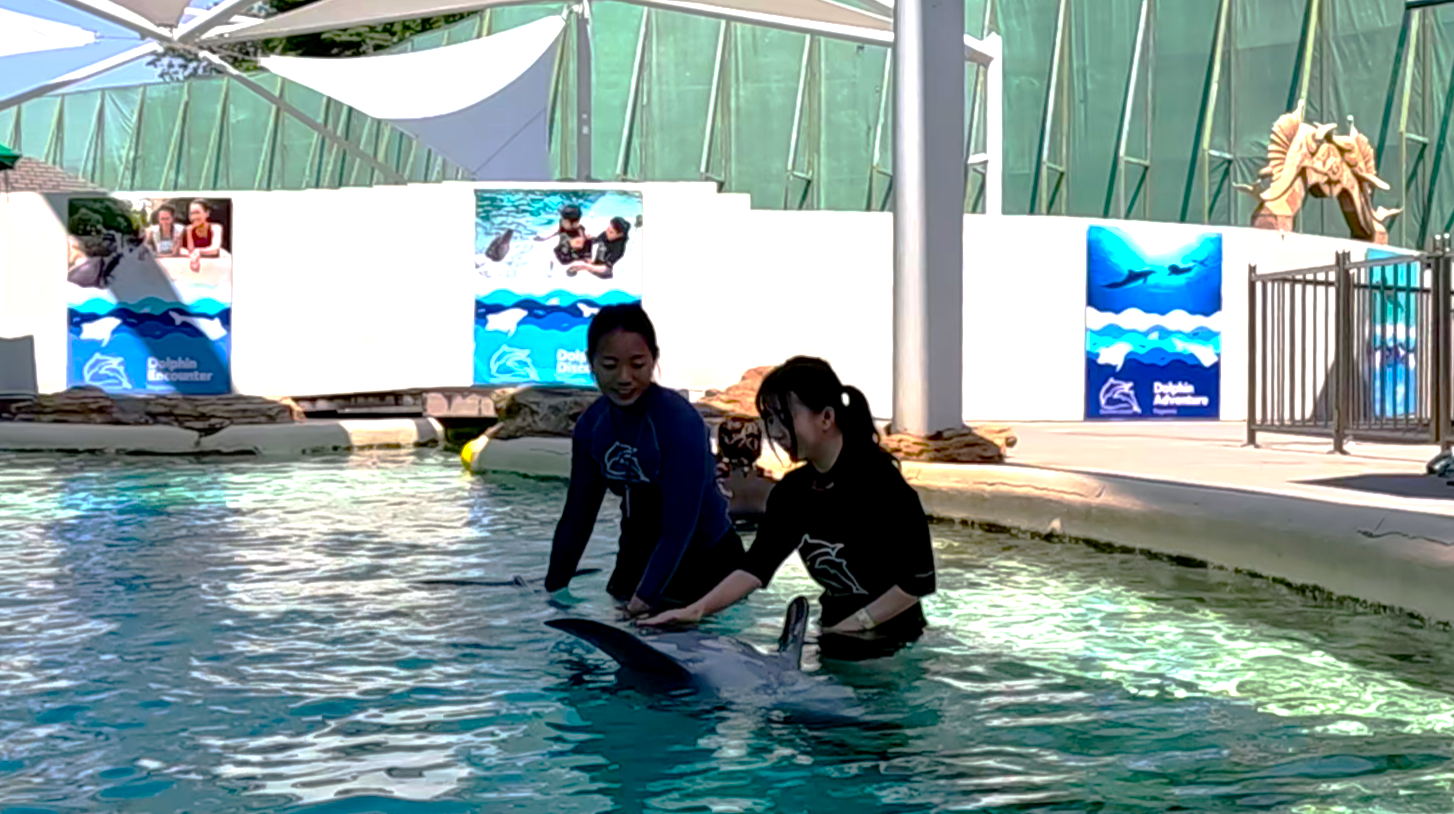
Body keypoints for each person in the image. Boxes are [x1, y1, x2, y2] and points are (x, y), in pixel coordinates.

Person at [639, 356, 937, 661]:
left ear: (826, 417)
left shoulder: (883, 486)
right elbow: (756, 567)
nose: (776, 432)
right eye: (769, 420)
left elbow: (918, 582)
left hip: (894, 639)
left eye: (783, 418)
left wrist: (855, 626)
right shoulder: (792, 492)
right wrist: (696, 610)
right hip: (834, 632)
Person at [545, 304, 745, 617]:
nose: (624, 378)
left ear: (654, 359)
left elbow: (680, 525)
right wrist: (553, 591)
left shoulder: (680, 422)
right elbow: (577, 518)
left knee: (671, 635)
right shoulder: (592, 426)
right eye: (610, 365)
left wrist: (644, 598)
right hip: (638, 552)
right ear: (591, 363)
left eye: (637, 364)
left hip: (705, 559)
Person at [567, 217, 632, 280]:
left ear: (620, 235)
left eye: (611, 232)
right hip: (595, 260)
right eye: (608, 229)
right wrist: (588, 238)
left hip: (604, 270)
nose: (607, 232)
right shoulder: (606, 234)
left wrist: (586, 266)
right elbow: (595, 242)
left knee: (606, 271)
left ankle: (584, 266)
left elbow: (606, 269)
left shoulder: (619, 248)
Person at [181, 199, 224, 272]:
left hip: (214, 267)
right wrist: (189, 232)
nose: (194, 217)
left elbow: (215, 249)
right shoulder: (188, 230)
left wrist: (199, 251)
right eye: (192, 214)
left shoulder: (215, 228)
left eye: (197, 213)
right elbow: (190, 251)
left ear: (207, 214)